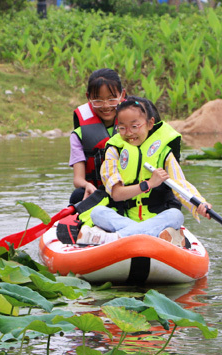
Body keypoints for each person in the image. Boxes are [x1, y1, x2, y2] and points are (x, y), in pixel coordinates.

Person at [77, 97, 211, 246]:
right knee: (98, 212)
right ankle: (157, 234)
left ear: (149, 124)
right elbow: (116, 194)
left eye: (134, 126)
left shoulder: (164, 153)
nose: (129, 133)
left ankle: (115, 238)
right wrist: (148, 184)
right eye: (122, 128)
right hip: (125, 217)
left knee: (176, 215)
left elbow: (181, 185)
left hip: (157, 216)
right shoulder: (114, 151)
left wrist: (200, 204)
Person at [68, 68, 126, 204]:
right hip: (97, 191)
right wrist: (87, 185)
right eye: (98, 100)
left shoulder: (134, 126)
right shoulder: (79, 135)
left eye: (111, 99)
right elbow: (78, 179)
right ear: (88, 97)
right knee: (77, 195)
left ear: (122, 95)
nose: (106, 106)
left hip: (129, 189)